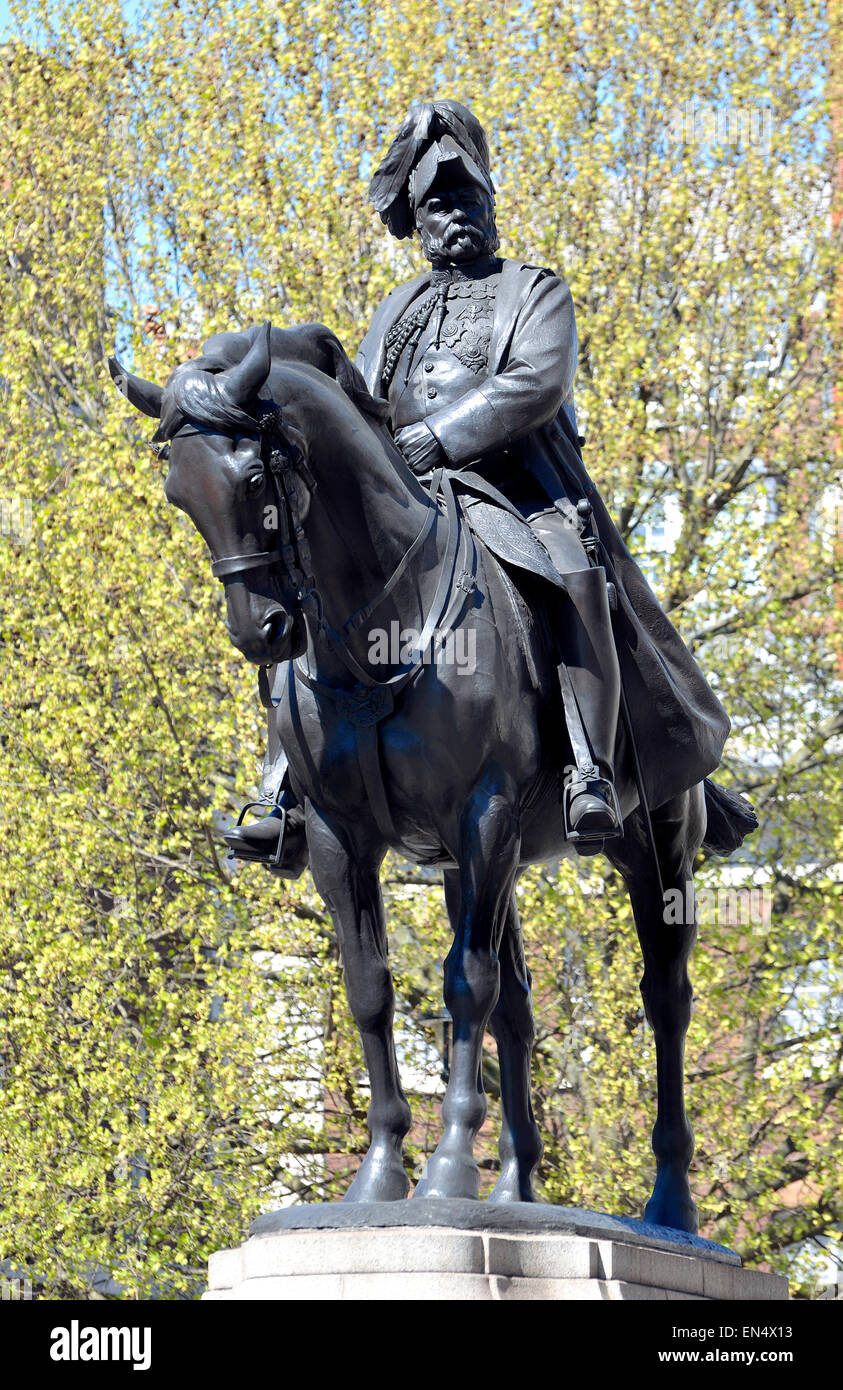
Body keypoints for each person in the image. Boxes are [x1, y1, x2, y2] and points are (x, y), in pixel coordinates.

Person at [224, 100, 729, 869]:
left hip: (513, 487)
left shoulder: (533, 289)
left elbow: (535, 382)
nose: (456, 216)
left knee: (570, 567)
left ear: (491, 206)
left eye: (468, 201)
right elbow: (361, 404)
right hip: (413, 498)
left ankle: (588, 768)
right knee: (312, 579)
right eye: (438, 205)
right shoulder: (397, 307)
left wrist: (438, 437)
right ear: (417, 224)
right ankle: (284, 789)